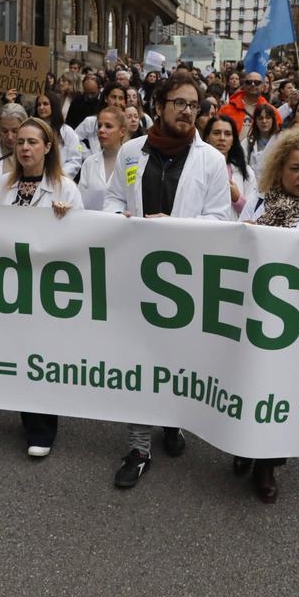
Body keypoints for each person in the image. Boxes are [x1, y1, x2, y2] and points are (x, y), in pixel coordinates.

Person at [103, 70, 230, 489]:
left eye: (194, 105)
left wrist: (171, 227)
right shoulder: (132, 152)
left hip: (185, 278)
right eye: (179, 103)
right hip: (138, 271)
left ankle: (172, 420)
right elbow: (114, 197)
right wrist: (120, 218)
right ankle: (139, 448)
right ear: (159, 106)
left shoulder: (211, 160)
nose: (188, 111)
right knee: (140, 359)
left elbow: (220, 220)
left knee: (177, 359)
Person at [231, 127, 299, 503]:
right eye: (296, 168)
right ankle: (241, 445)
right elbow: (234, 249)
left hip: (295, 321)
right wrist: (244, 233)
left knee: (279, 391)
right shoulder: (258, 204)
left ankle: (267, 465)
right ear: (280, 168)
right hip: (252, 312)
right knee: (247, 381)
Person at [0, 117, 83, 456]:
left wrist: (67, 219)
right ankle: (26, 415)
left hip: (46, 285)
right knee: (17, 350)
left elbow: (83, 237)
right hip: (10, 282)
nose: (24, 148)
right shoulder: (1, 183)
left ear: (48, 147)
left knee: (41, 354)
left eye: (33, 142)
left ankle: (42, 428)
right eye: (21, 142)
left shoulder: (65, 188)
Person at [77, 106, 127, 211]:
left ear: (122, 131)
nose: (101, 130)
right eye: (99, 126)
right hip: (92, 220)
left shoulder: (131, 162)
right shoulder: (89, 163)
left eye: (108, 126)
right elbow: (79, 202)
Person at [203, 115, 252, 220]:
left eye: (228, 134)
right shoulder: (197, 167)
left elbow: (254, 213)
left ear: (233, 140)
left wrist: (237, 198)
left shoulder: (245, 171)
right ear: (207, 138)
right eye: (216, 133)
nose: (222, 138)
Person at [34, 91, 85, 176]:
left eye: (45, 104)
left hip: (59, 178)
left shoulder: (68, 132)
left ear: (54, 106)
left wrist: (58, 176)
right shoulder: (32, 129)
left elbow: (75, 160)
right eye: (39, 105)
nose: (41, 107)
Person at [219, 71, 271, 137]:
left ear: (263, 87)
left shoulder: (270, 110)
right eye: (249, 82)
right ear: (243, 85)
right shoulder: (226, 109)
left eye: (257, 82)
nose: (253, 84)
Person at [243, 103, 281, 176]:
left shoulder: (281, 140)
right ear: (256, 121)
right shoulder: (248, 142)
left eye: (268, 117)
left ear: (273, 120)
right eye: (260, 118)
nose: (264, 121)